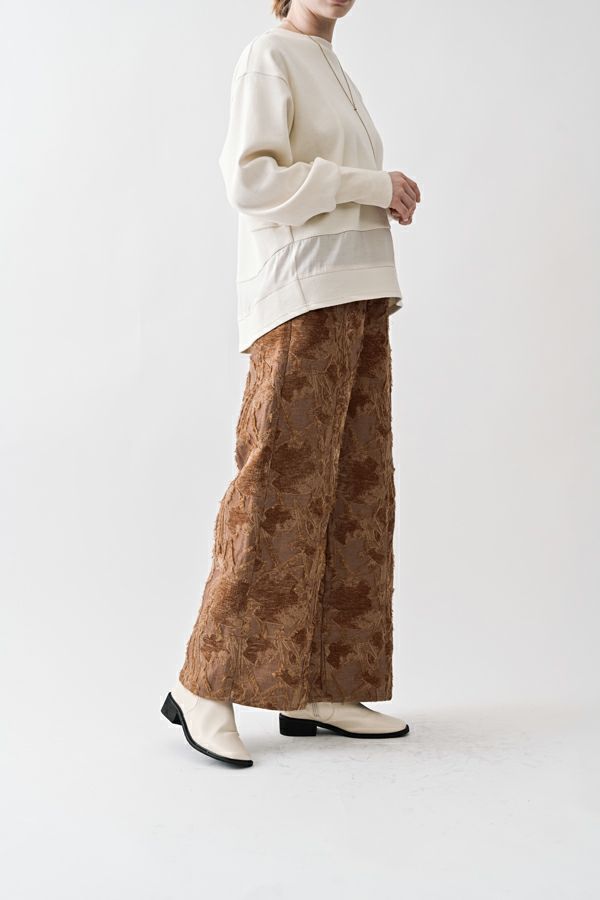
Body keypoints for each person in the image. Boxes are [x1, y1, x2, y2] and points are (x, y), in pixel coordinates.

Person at [161, 0, 421, 767]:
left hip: (360, 291)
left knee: (356, 489)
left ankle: (317, 685)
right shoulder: (269, 55)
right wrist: (371, 183)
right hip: (302, 295)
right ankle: (204, 684)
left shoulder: (329, 62)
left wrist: (371, 189)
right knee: (278, 485)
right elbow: (250, 180)